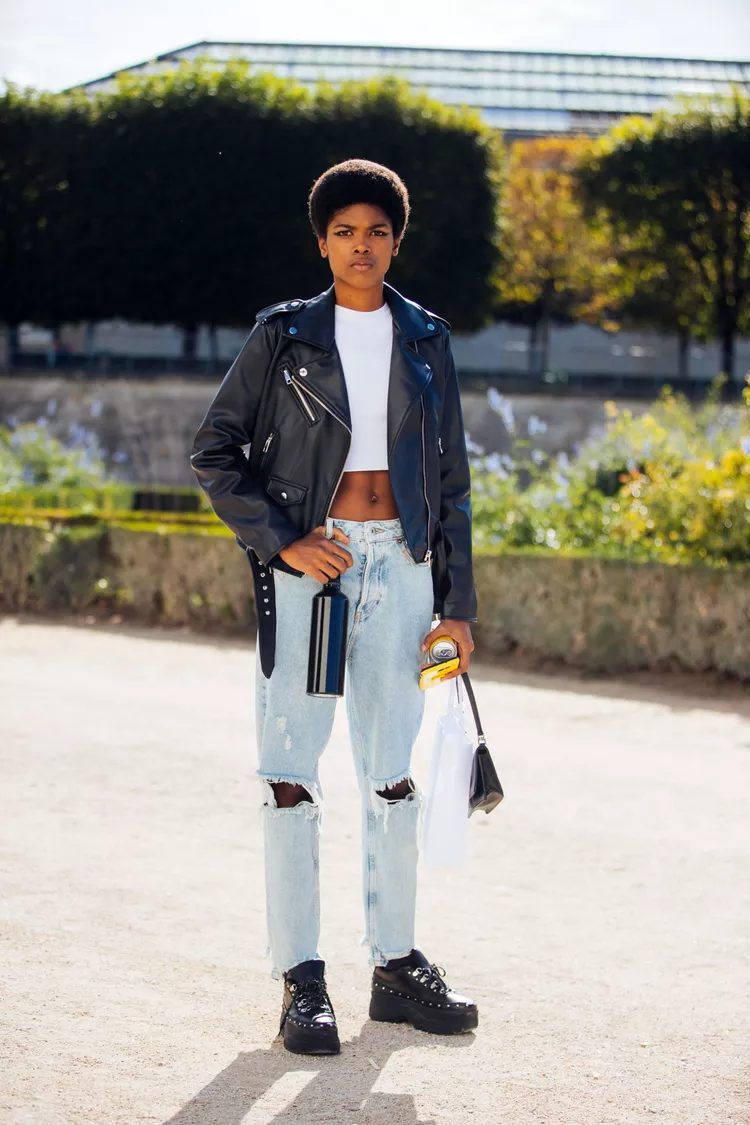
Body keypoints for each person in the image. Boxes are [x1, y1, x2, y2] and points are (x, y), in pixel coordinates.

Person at [190, 158, 478, 1055]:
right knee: (291, 774)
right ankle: (301, 980)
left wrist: (457, 605)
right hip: (311, 570)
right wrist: (283, 540)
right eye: (345, 231)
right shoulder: (283, 336)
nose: (362, 245)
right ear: (322, 242)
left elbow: (453, 484)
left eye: (377, 231)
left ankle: (395, 966)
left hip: (406, 566)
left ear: (396, 242)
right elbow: (215, 451)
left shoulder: (426, 338)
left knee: (393, 774)